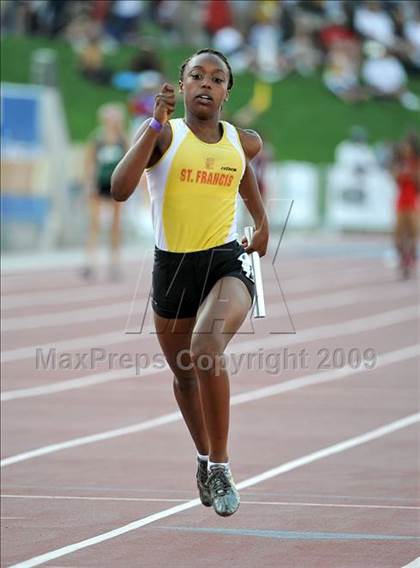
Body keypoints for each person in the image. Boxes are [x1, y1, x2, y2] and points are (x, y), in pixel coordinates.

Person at [111, 48, 268, 517]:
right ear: (181, 87)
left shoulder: (244, 141)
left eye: (216, 78)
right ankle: (203, 458)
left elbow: (243, 171)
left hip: (225, 263)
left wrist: (261, 223)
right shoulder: (165, 135)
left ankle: (220, 465)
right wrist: (153, 123)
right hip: (171, 268)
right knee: (184, 374)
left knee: (205, 346)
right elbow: (119, 188)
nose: (206, 84)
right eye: (196, 76)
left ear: (226, 91)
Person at [83, 103, 127, 280]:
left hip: (115, 186)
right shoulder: (97, 139)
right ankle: (90, 262)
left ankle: (114, 263)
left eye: (115, 118)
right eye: (109, 118)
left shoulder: (122, 140)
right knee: (94, 224)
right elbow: (89, 162)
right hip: (98, 185)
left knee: (116, 226)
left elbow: (129, 162)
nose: (112, 122)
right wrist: (89, 183)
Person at [392, 134, 420, 279]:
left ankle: (409, 261)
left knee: (411, 235)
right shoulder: (400, 164)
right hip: (401, 202)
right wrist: (399, 171)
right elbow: (395, 179)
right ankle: (404, 257)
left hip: (413, 203)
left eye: (407, 146)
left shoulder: (417, 163)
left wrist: (414, 174)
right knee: (397, 237)